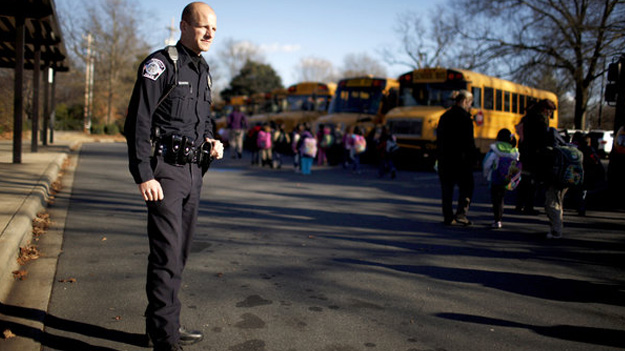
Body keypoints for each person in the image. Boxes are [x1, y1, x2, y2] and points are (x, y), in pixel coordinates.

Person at [124, 3, 223, 350]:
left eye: (214, 28)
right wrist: (144, 173)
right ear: (183, 26)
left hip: (194, 173)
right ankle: (166, 341)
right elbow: (137, 121)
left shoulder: (204, 70)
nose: (210, 34)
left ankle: (162, 325)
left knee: (178, 255)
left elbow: (202, 121)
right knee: (166, 256)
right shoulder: (161, 65)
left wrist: (211, 141)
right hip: (165, 174)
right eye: (203, 27)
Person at [436, 90, 476, 226]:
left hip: (445, 159)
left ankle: (448, 216)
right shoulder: (465, 118)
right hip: (461, 160)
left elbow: (439, 139)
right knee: (467, 187)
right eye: (470, 103)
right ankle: (461, 213)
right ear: (464, 101)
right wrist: (471, 158)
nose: (470, 106)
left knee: (447, 189)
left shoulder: (444, 116)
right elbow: (469, 142)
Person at [515, 99, 557, 215]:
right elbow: (542, 137)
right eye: (550, 111)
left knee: (524, 180)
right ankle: (529, 206)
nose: (550, 114)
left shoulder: (527, 117)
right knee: (532, 182)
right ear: (545, 109)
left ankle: (519, 204)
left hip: (525, 152)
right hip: (534, 155)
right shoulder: (541, 119)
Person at [482, 128, 521, 229]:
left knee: (496, 200)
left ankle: (497, 220)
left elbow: (487, 163)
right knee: (501, 198)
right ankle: (500, 218)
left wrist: (486, 174)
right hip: (507, 178)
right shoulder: (514, 150)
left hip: (495, 177)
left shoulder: (495, 148)